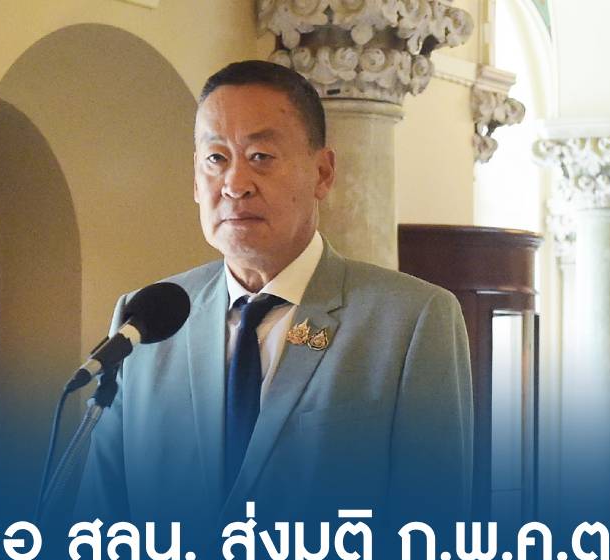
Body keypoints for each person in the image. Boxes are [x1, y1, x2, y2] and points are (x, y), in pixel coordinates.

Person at [76, 60, 473, 528]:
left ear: (322, 173)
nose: (235, 184)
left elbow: (430, 531)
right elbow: (100, 522)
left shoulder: (409, 321)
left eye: (261, 156)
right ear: (196, 181)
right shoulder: (148, 320)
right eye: (216, 159)